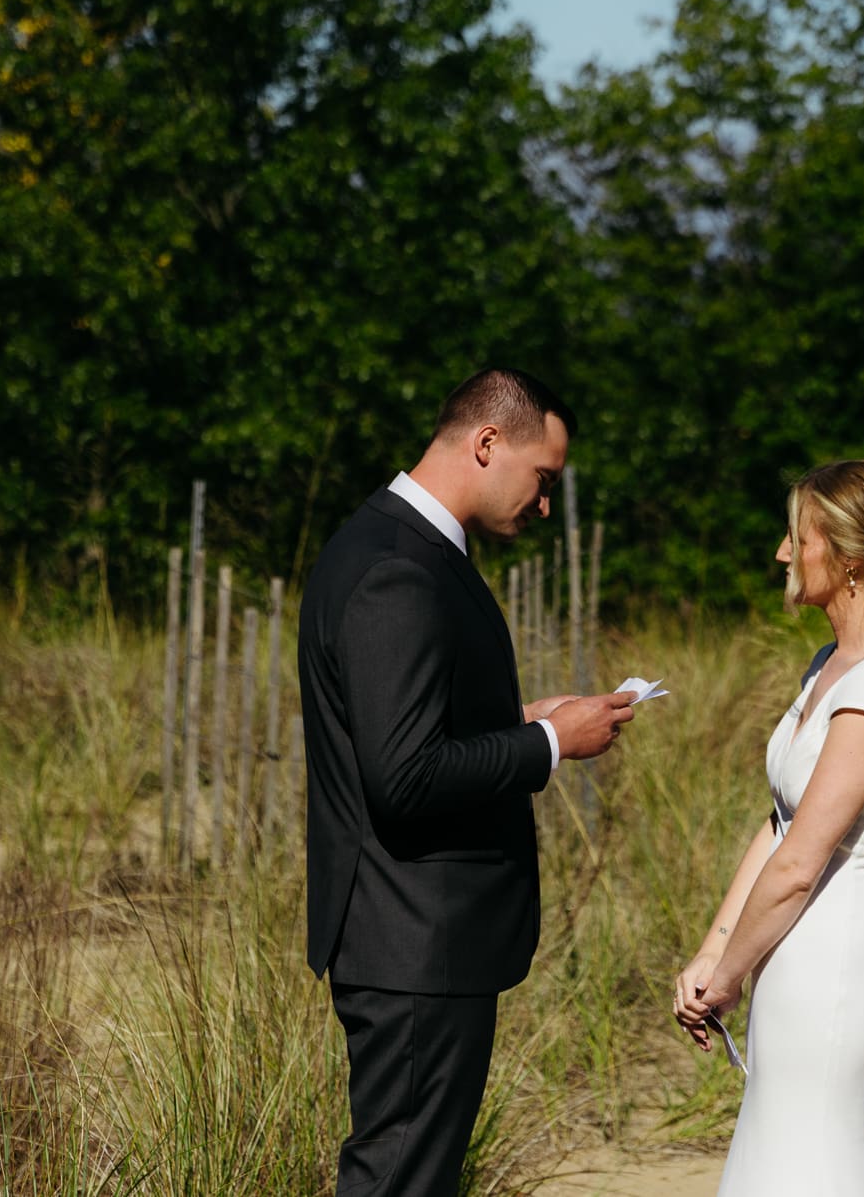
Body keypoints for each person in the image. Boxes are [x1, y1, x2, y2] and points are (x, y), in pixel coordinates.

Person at [299, 367, 638, 1197]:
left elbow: (402, 725)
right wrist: (550, 743)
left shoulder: (388, 544)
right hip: (416, 939)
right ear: (487, 443)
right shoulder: (398, 570)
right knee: (399, 1180)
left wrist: (523, 716)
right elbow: (405, 776)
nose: (545, 505)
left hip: (414, 937)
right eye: (543, 479)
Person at [672, 459, 864, 1196]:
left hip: (832, 965)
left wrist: (726, 980)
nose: (781, 553)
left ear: (849, 557)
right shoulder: (830, 663)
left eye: (796, 538)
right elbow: (780, 819)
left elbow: (803, 860)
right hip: (789, 953)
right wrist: (715, 946)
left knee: (808, 1163)